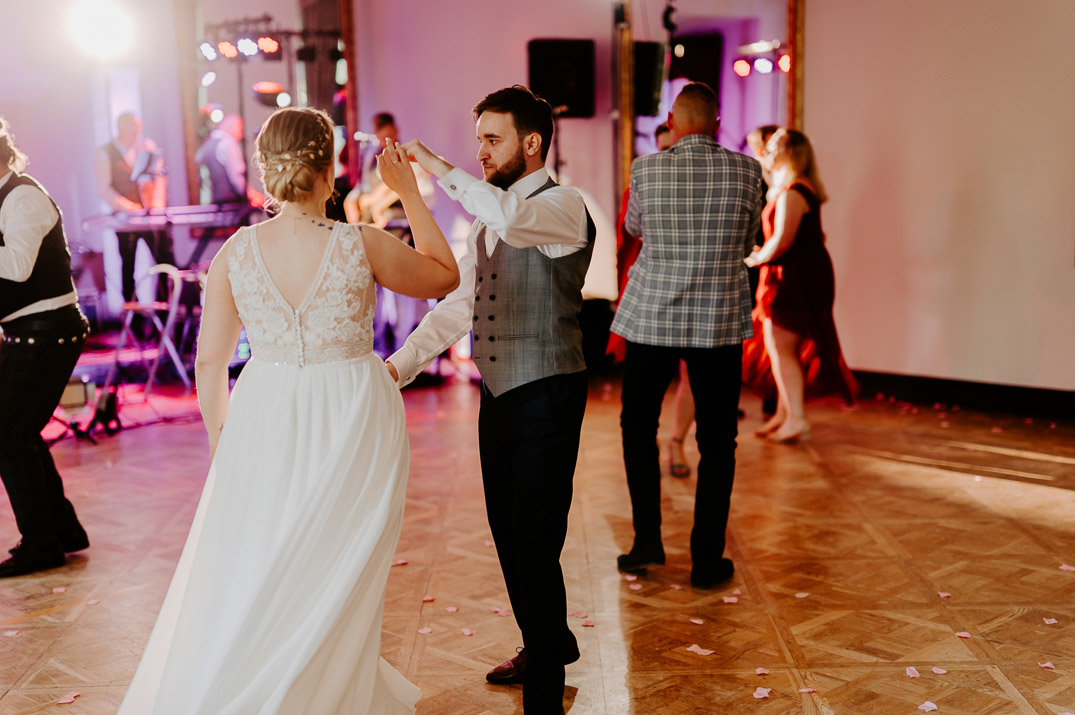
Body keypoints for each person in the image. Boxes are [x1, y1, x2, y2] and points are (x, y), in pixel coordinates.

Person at [117, 107, 459, 713]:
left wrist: (224, 441)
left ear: (264, 168)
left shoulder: (235, 253)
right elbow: (443, 276)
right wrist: (408, 192)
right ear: (331, 168)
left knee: (268, 555)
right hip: (352, 413)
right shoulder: (361, 242)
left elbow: (208, 363)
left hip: (264, 413)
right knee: (340, 563)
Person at [387, 85, 594, 714]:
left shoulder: (561, 206)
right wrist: (400, 366)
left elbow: (513, 220)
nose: (479, 151)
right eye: (477, 139)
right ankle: (545, 641)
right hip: (499, 391)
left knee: (535, 537)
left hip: (548, 389)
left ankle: (544, 690)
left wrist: (433, 169)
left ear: (531, 143)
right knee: (507, 530)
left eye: (491, 139)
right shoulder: (487, 218)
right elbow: (461, 306)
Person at [611, 82, 762, 589]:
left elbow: (634, 229)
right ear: (717, 124)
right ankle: (706, 560)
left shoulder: (646, 168)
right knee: (718, 440)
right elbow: (748, 241)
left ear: (672, 123)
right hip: (717, 319)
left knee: (638, 428)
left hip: (651, 317)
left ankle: (646, 543)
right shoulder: (748, 171)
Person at [0, 117, 90, 578]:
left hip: (47, 331)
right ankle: (62, 532)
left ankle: (42, 544)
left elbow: (16, 266)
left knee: (9, 435)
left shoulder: (23, 196)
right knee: (19, 433)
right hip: (31, 331)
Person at [745, 128, 856, 443]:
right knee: (780, 348)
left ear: (793, 152)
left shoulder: (794, 191)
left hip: (793, 277)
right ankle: (784, 414)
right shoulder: (792, 187)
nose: (769, 150)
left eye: (776, 145)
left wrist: (755, 258)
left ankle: (796, 419)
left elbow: (783, 240)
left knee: (783, 349)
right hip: (794, 273)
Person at [94, 112, 175, 302]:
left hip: (151, 217)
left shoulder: (147, 147)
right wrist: (127, 206)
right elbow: (104, 189)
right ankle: (133, 313)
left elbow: (158, 180)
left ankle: (167, 308)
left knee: (164, 261)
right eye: (132, 130)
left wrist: (156, 207)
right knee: (128, 265)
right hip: (126, 221)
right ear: (121, 128)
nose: (135, 134)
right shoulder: (105, 153)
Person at [194, 113, 247, 204]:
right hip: (231, 202)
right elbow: (236, 176)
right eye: (240, 130)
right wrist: (246, 195)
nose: (241, 135)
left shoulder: (208, 143)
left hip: (215, 201)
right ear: (232, 127)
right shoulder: (228, 142)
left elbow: (197, 160)